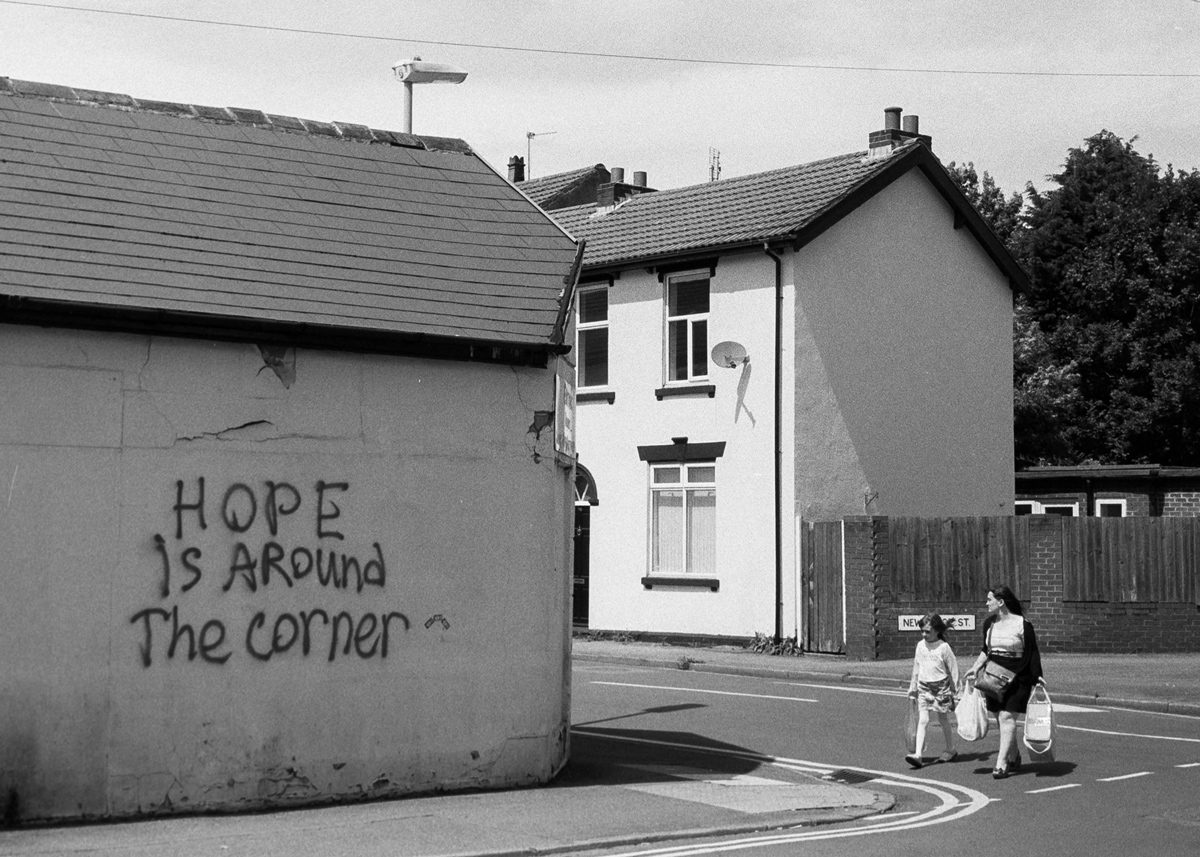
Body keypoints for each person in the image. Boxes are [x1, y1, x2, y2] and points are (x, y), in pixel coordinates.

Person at [965, 585, 1045, 779]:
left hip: (1018, 676)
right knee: (1000, 717)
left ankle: (1001, 763)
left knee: (1007, 717)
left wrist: (1037, 676)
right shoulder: (989, 624)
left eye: (989, 599)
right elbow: (986, 650)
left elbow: (1032, 652)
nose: (986, 603)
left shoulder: (1023, 624)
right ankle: (1014, 755)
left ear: (1000, 602)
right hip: (992, 676)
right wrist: (975, 667)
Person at [905, 612, 960, 769]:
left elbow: (953, 668)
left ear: (937, 630)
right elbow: (916, 666)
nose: (924, 634)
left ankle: (950, 749)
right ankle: (918, 755)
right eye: (922, 631)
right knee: (923, 720)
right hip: (924, 686)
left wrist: (957, 689)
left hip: (941, 686)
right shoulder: (920, 646)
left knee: (943, 719)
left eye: (927, 631)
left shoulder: (944, 647)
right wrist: (912, 686)